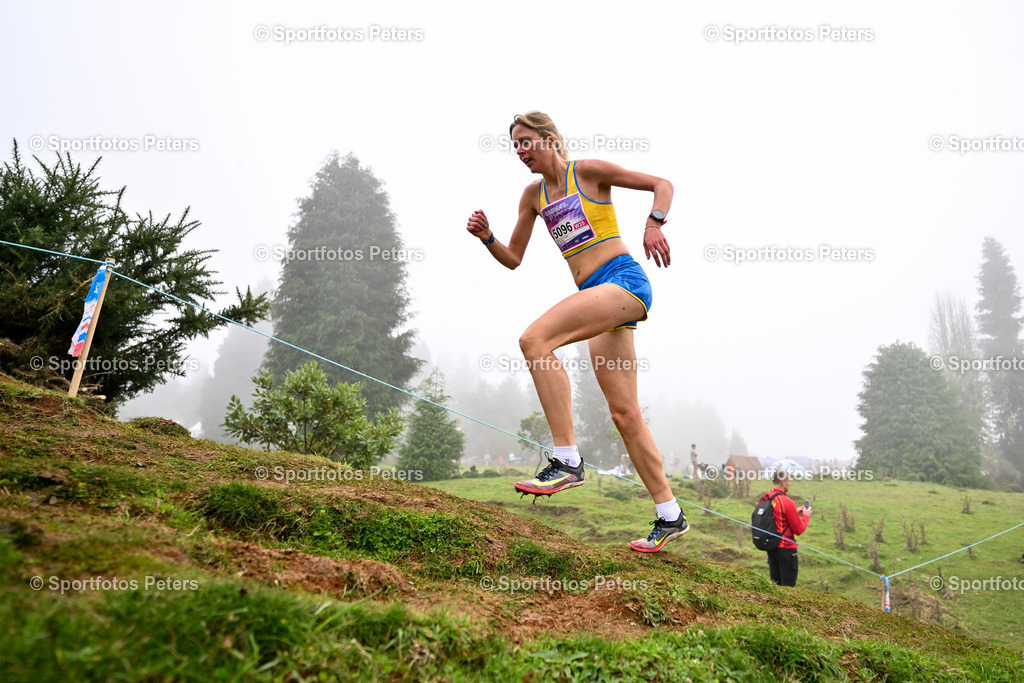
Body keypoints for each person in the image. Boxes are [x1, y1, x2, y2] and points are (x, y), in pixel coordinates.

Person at [466, 111, 688, 553]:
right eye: (515, 146)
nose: (521, 151)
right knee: (624, 415)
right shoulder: (532, 196)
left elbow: (662, 184)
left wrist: (653, 223)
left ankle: (566, 460)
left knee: (534, 340)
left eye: (527, 141)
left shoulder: (586, 172)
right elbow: (514, 258)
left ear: (549, 138)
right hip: (598, 295)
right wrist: (488, 238)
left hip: (623, 281)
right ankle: (670, 515)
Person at [760, 470, 811, 586]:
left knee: (776, 587)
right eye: (789, 481)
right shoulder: (787, 502)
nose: (790, 484)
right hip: (786, 550)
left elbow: (777, 519)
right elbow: (798, 530)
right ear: (783, 482)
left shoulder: (765, 498)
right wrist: (806, 516)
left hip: (771, 548)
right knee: (788, 590)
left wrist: (794, 513)